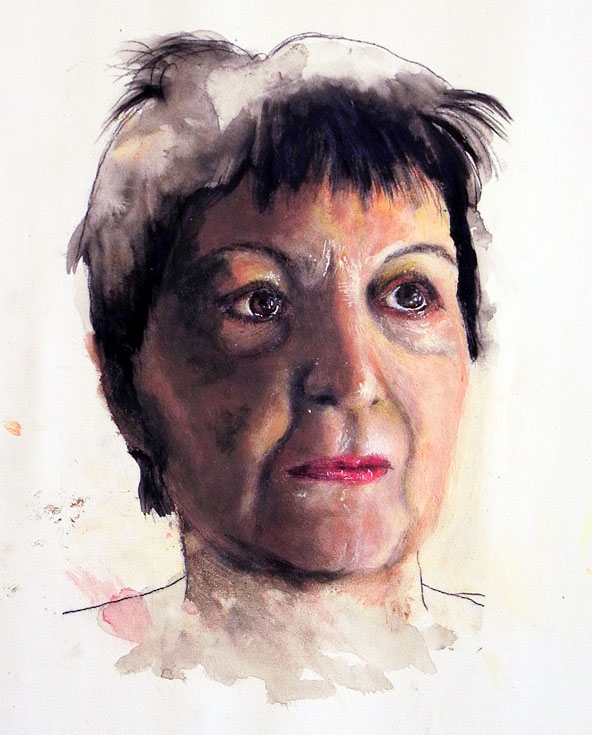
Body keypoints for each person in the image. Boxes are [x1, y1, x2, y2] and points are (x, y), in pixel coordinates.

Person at [68, 32, 509, 699]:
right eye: (260, 302)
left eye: (409, 295)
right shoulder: (67, 682)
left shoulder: (534, 670)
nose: (351, 379)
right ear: (125, 387)